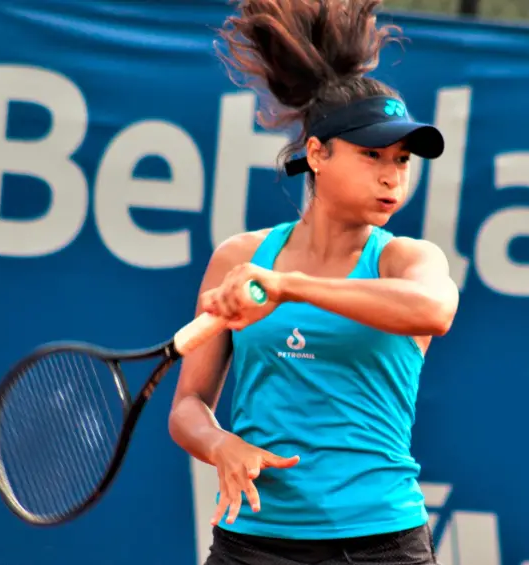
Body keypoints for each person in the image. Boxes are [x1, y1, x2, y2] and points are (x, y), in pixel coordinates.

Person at [168, 0, 460, 563]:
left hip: (382, 545)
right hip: (253, 543)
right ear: (317, 154)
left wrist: (289, 287)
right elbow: (187, 407)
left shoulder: (406, 259)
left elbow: (434, 310)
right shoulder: (241, 257)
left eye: (402, 160)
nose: (391, 176)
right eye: (372, 154)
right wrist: (219, 444)